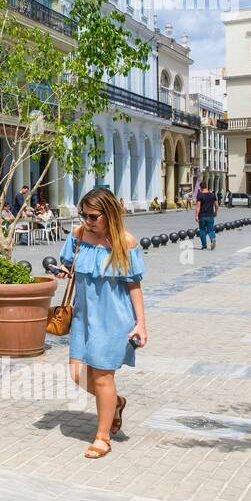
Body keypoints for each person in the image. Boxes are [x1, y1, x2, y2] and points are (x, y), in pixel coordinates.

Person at [55, 187, 147, 459]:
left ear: (108, 214)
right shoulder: (78, 235)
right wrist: (62, 271)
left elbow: (134, 286)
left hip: (113, 319)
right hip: (83, 317)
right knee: (77, 374)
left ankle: (102, 436)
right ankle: (115, 403)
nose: (87, 221)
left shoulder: (125, 242)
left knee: (103, 377)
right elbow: (69, 267)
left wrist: (141, 323)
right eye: (83, 214)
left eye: (93, 216)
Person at [194, 181, 218, 251]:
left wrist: (196, 215)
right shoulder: (213, 195)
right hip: (210, 215)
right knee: (211, 230)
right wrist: (215, 212)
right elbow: (216, 205)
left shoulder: (200, 195)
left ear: (201, 188)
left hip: (202, 216)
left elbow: (198, 206)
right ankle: (212, 238)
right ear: (206, 187)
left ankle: (204, 246)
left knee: (202, 230)